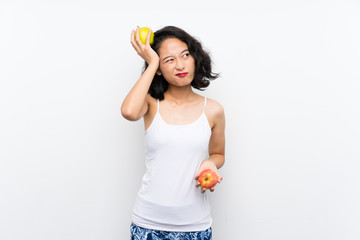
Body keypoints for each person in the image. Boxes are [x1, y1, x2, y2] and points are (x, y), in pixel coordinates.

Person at [121, 26, 225, 240]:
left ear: (195, 58)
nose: (180, 65)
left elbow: (218, 154)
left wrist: (210, 163)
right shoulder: (151, 103)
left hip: (194, 225)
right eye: (168, 60)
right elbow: (129, 112)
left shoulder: (214, 109)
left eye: (185, 55)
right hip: (147, 224)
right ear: (159, 67)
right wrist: (151, 63)